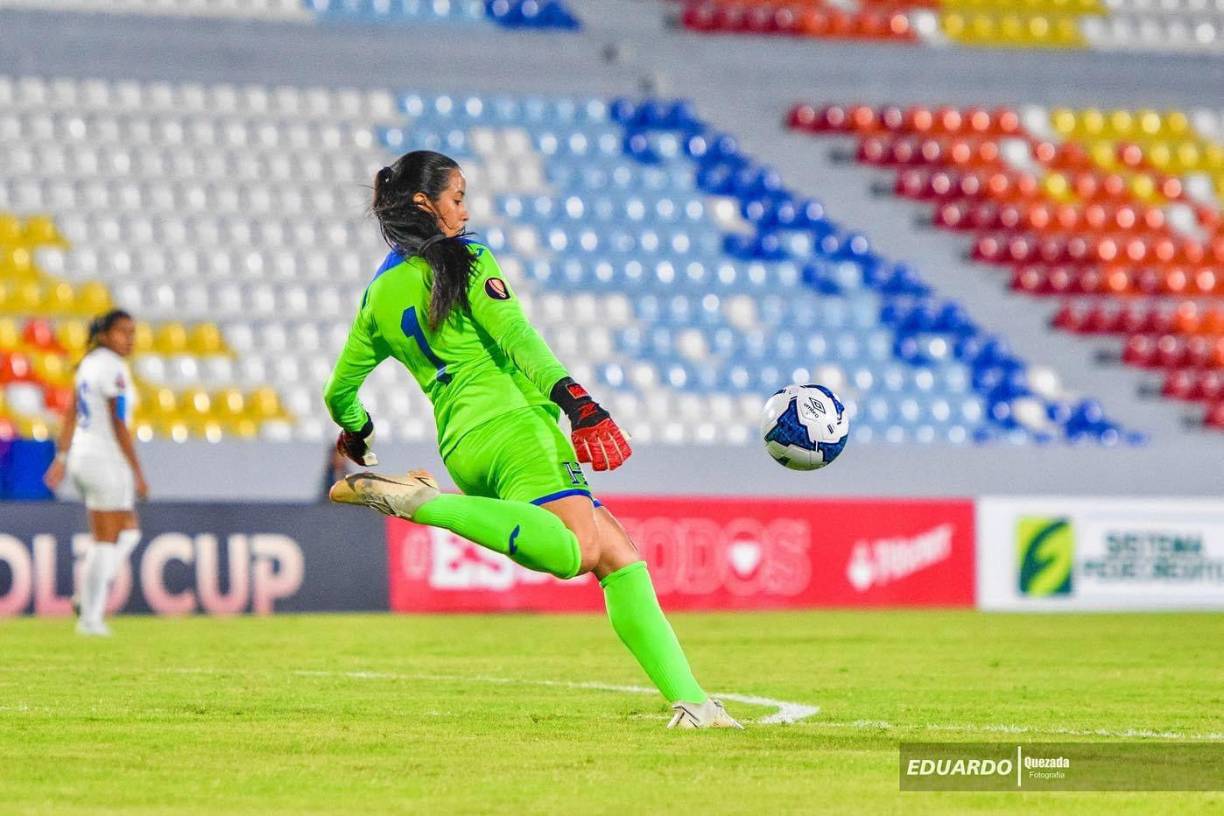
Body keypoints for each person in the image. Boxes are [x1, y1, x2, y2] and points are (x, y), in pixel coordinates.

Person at [324, 150, 739, 729]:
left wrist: (360, 435)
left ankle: (694, 703)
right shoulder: (464, 259)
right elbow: (515, 333)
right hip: (517, 425)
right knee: (579, 552)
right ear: (426, 203)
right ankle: (427, 503)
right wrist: (577, 401)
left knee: (620, 559)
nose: (465, 212)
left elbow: (339, 392)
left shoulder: (376, 298)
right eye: (458, 197)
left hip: (463, 443)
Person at [44, 309, 147, 636]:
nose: (129, 338)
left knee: (127, 531)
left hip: (81, 456)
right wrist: (138, 471)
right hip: (105, 458)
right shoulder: (112, 367)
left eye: (132, 332)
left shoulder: (88, 364)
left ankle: (86, 598)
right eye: (122, 332)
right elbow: (118, 423)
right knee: (109, 538)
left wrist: (61, 457)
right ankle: (89, 618)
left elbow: (70, 413)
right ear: (104, 335)